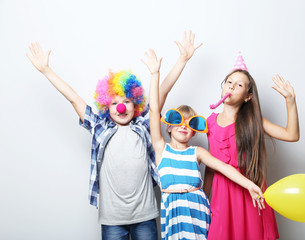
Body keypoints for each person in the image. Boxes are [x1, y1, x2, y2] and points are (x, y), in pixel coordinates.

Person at [25, 33, 200, 240]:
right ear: (106, 105)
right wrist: (47, 70)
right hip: (112, 219)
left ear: (136, 105)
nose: (121, 107)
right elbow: (74, 99)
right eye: (115, 102)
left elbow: (163, 92)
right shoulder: (100, 127)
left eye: (127, 101)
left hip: (145, 215)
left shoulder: (143, 125)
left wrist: (182, 59)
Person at [142, 47, 266, 240]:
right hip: (173, 215)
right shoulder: (161, 148)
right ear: (167, 127)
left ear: (194, 132)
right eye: (177, 120)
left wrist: (249, 184)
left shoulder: (197, 152)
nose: (183, 125)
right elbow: (153, 109)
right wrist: (155, 74)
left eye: (189, 122)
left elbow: (224, 168)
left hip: (198, 212)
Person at [203, 53, 300, 240]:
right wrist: (204, 197)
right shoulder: (210, 122)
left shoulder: (253, 121)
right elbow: (211, 164)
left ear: (248, 96)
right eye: (229, 81)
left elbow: (292, 135)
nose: (231, 86)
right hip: (222, 194)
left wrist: (290, 101)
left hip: (251, 192)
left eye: (239, 84)